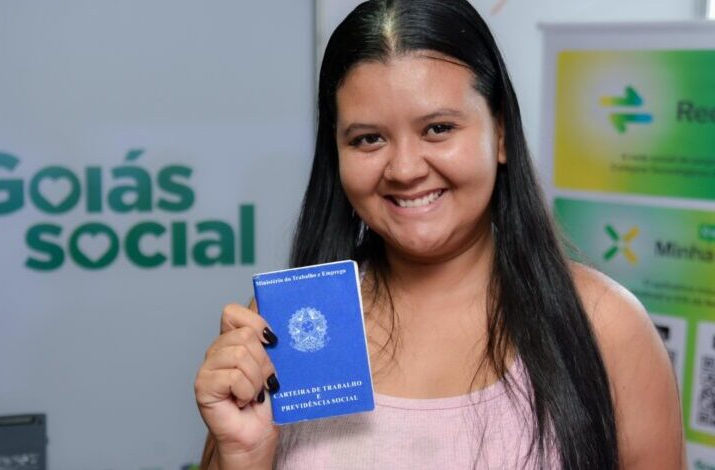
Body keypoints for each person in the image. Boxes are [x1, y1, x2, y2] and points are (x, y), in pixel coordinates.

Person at [194, 0, 684, 468]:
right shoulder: (288, 325)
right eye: (368, 139)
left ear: (501, 133)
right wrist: (242, 455)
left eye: (438, 129)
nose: (405, 169)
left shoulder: (605, 325)